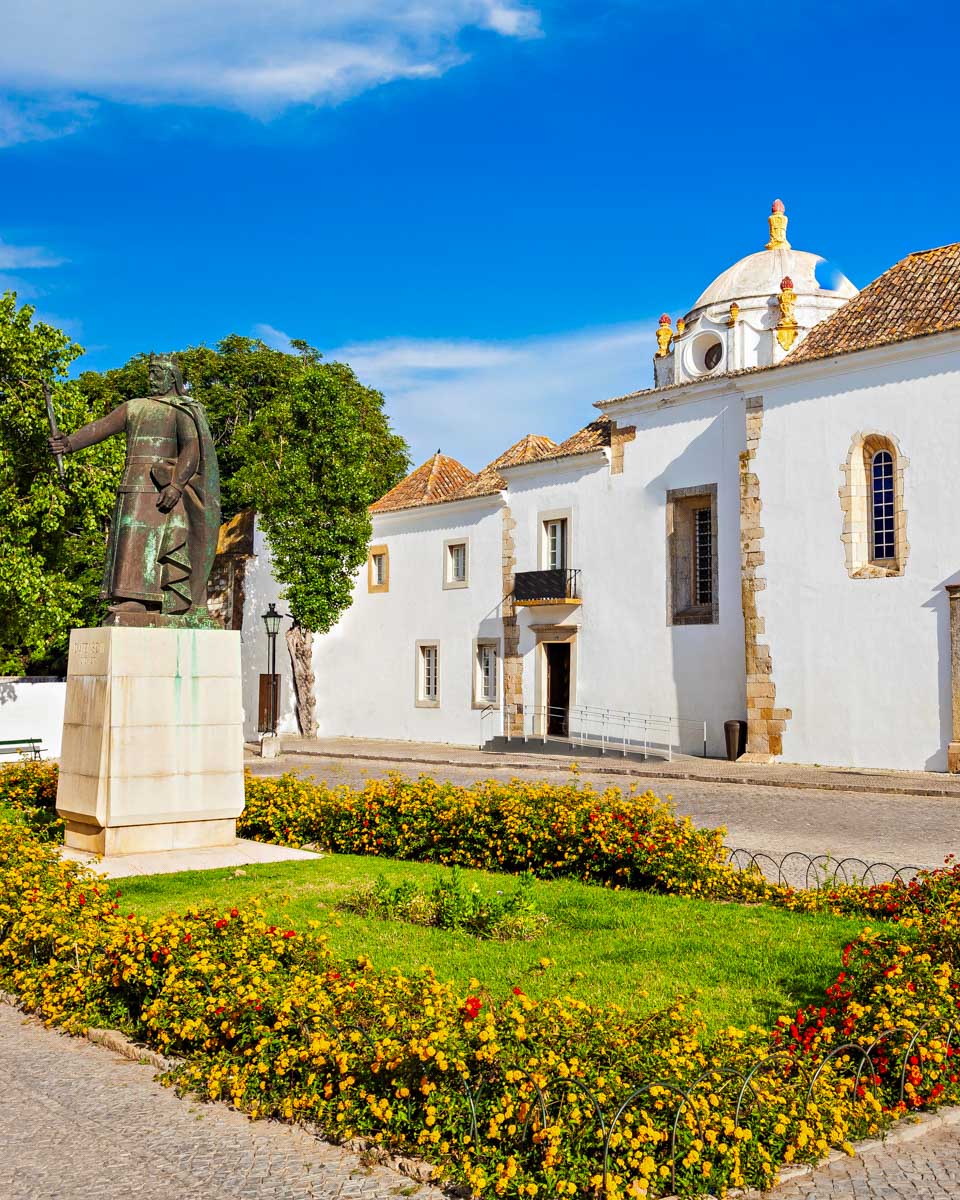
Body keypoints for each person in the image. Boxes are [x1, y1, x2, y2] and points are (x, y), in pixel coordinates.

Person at [49, 356, 221, 619]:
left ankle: (151, 601)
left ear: (172, 378)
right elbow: (101, 427)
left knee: (157, 546)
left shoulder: (181, 410)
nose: (151, 380)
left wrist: (176, 485)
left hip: (161, 489)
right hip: (132, 484)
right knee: (130, 540)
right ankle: (131, 598)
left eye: (156, 374)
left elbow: (191, 449)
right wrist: (69, 443)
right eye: (149, 374)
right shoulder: (134, 407)